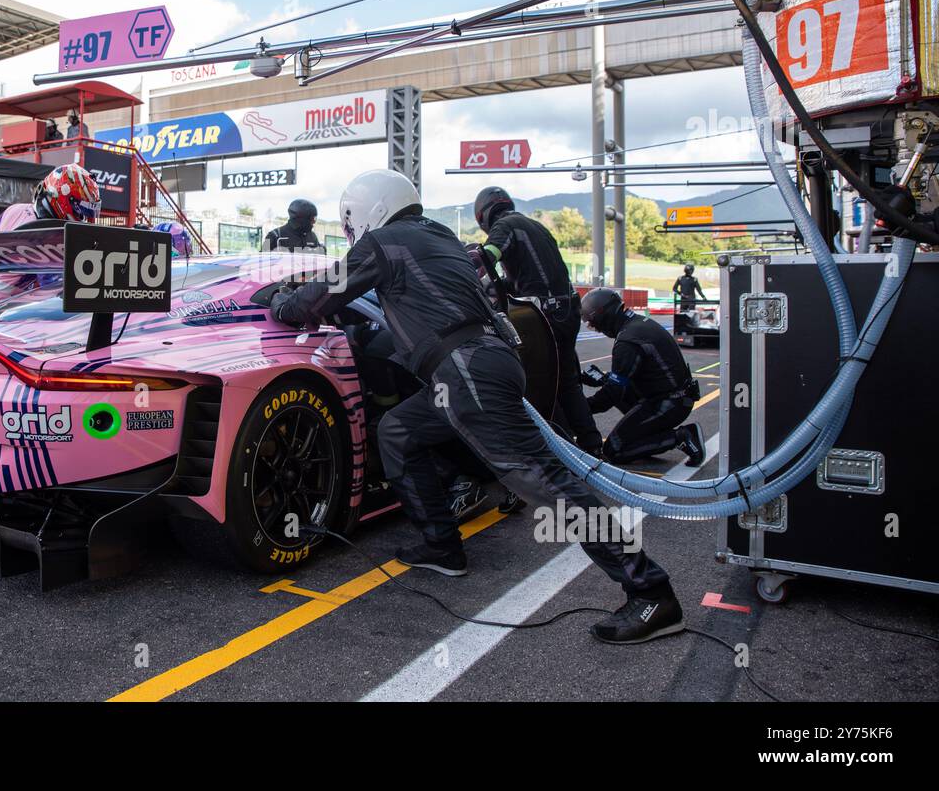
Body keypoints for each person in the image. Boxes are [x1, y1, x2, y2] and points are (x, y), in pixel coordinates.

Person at [271, 169, 683, 644]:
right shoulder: (440, 236)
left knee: (548, 484)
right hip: (485, 363)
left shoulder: (383, 242)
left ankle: (651, 592)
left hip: (465, 371)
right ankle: (441, 545)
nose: (349, 228)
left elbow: (320, 295)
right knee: (399, 431)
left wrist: (283, 304)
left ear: (371, 208)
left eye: (349, 218)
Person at [472, 186, 603, 457]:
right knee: (567, 381)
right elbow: (527, 275)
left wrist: (465, 273)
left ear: (483, 215)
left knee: (537, 384)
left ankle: (557, 452)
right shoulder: (534, 226)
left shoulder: (505, 226)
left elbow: (485, 258)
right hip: (566, 310)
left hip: (545, 316)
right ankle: (591, 446)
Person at [579, 287, 706, 466]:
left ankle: (680, 437)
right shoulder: (638, 324)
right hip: (674, 395)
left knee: (613, 450)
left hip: (669, 403)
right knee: (611, 383)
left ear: (603, 315)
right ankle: (645, 436)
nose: (596, 329)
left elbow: (611, 396)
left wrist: (580, 409)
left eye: (593, 323)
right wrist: (602, 378)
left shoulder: (627, 341)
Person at [0, 163, 101, 314]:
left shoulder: (14, 210)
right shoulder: (46, 233)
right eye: (81, 212)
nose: (84, 219)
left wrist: (13, 264)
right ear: (63, 200)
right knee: (61, 293)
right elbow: (53, 287)